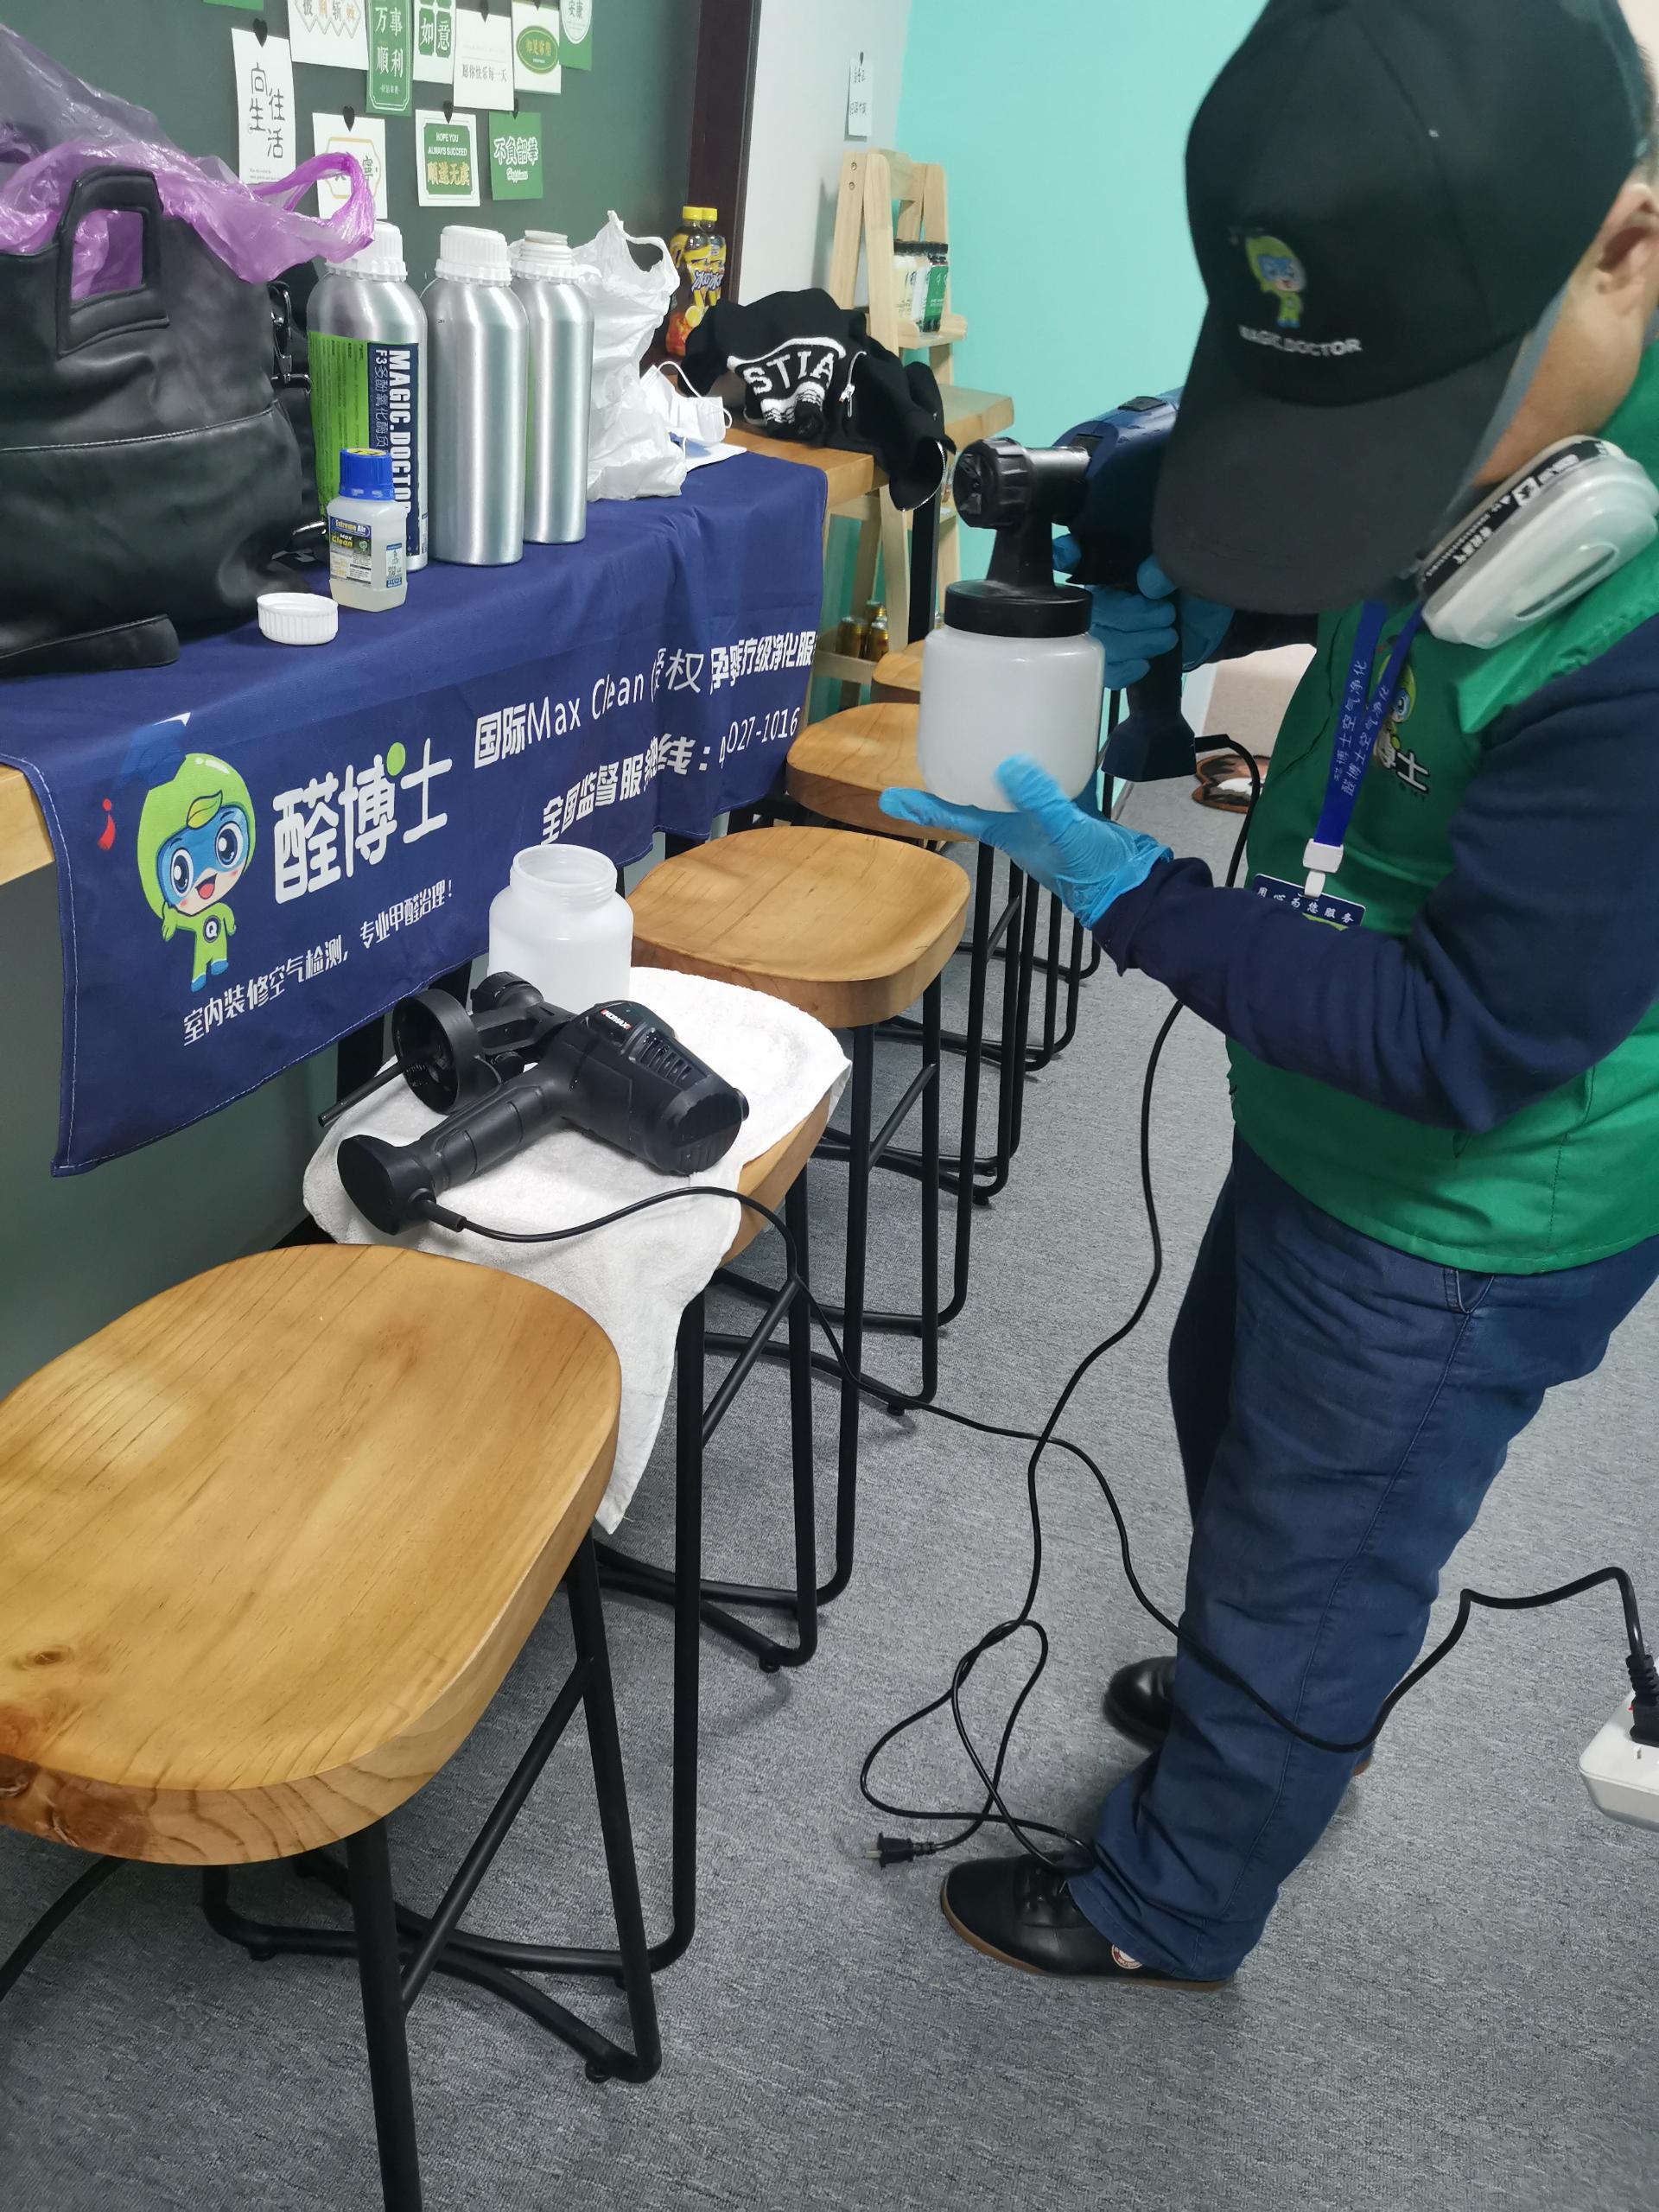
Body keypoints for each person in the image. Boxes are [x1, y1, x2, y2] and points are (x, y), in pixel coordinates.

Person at [883, 0, 1659, 1990]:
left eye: (1426, 429)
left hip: (1464, 1189)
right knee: (1237, 1410)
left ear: (1628, 251)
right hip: (1325, 1103)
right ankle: (1268, 1702)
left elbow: (1466, 1039)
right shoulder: (1485, 359)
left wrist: (1144, 893)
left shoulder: (1636, 624)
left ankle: (1179, 1892)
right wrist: (1215, 580)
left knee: (1322, 1540)